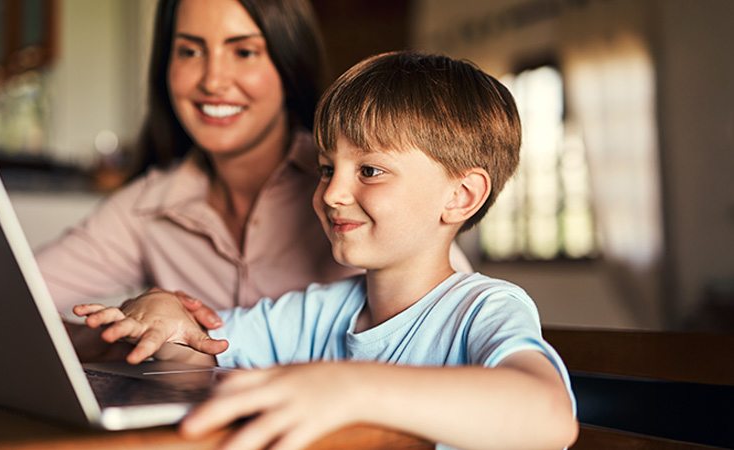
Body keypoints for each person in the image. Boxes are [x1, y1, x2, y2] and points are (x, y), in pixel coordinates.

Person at [0, 0, 471, 354]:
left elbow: (453, 325)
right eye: (189, 50)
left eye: (244, 51)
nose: (212, 79)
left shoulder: (362, 187)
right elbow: (6, 310)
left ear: (287, 63)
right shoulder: (146, 206)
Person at [75, 51, 579, 450]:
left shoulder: (484, 309)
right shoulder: (319, 311)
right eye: (325, 168)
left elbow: (549, 414)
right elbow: (196, 355)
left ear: (460, 197)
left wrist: (352, 388)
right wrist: (165, 316)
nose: (331, 193)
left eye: (369, 170)